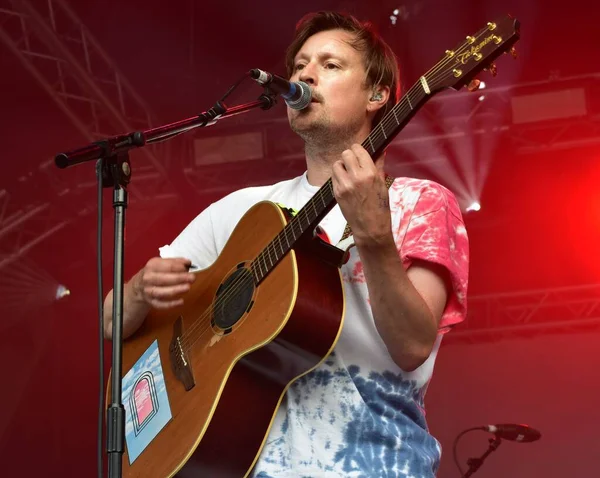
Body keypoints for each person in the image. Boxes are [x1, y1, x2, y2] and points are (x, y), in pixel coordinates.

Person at [103, 11, 469, 477]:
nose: (304, 75)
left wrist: (375, 238)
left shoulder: (419, 202)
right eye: (299, 66)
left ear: (377, 95)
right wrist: (138, 291)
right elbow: (113, 320)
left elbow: (413, 345)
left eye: (331, 65)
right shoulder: (243, 210)